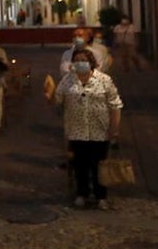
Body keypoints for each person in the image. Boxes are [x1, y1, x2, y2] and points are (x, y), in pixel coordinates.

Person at [50, 48, 123, 210]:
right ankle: (81, 193)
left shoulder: (104, 80)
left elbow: (115, 105)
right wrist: (50, 94)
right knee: (80, 164)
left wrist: (114, 129)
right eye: (76, 60)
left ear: (91, 62)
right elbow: (58, 99)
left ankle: (101, 196)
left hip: (100, 130)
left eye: (83, 59)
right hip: (76, 130)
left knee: (99, 165)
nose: (80, 63)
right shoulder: (68, 80)